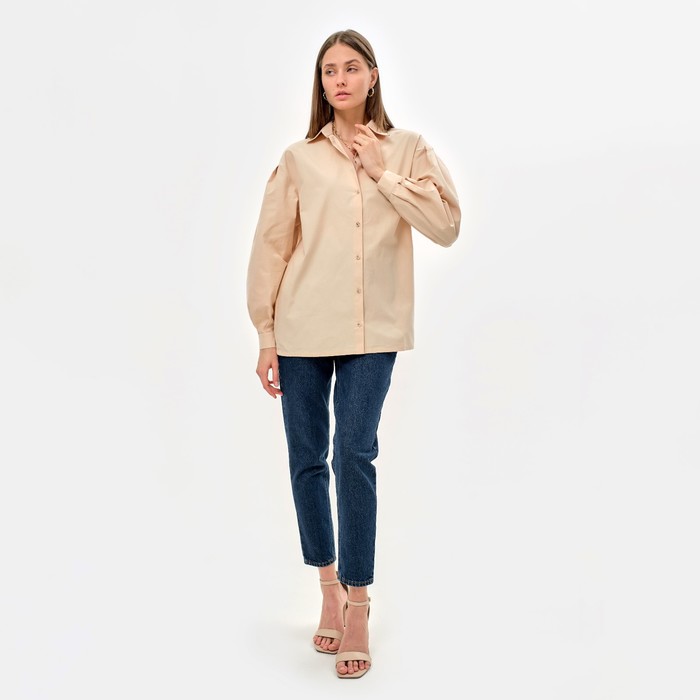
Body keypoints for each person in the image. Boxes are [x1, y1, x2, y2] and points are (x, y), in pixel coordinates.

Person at [246, 28, 461, 679]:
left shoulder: (408, 149)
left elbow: (446, 226)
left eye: (350, 68)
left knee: (354, 451)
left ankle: (360, 602)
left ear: (372, 76)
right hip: (303, 328)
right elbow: (272, 247)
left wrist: (381, 172)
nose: (338, 80)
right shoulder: (298, 159)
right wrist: (266, 334)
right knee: (308, 457)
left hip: (375, 330)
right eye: (328, 71)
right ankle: (328, 591)